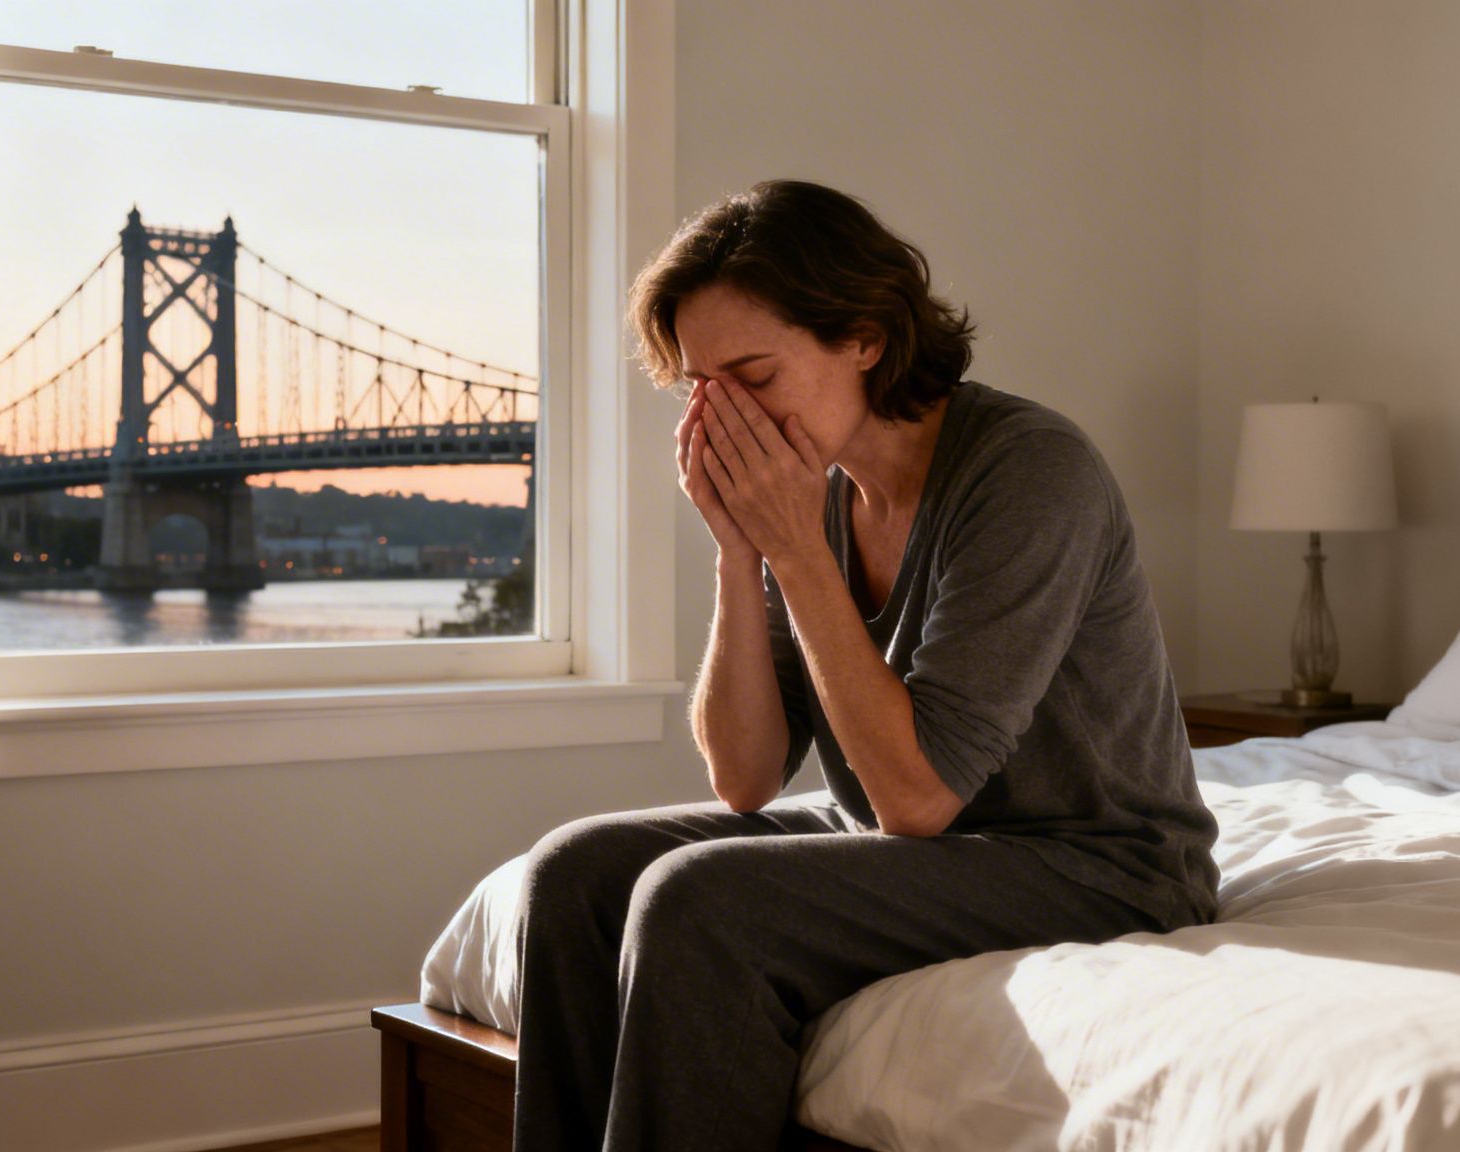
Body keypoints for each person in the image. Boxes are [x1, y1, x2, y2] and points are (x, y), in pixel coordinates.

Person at [512, 180, 1219, 1152]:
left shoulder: (1030, 472)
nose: (726, 417)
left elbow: (916, 799)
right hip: (920, 844)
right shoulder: (816, 493)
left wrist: (794, 549)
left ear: (865, 338)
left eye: (752, 376)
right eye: (701, 389)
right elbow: (744, 777)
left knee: (699, 904)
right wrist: (739, 550)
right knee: (575, 873)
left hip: (1099, 863)